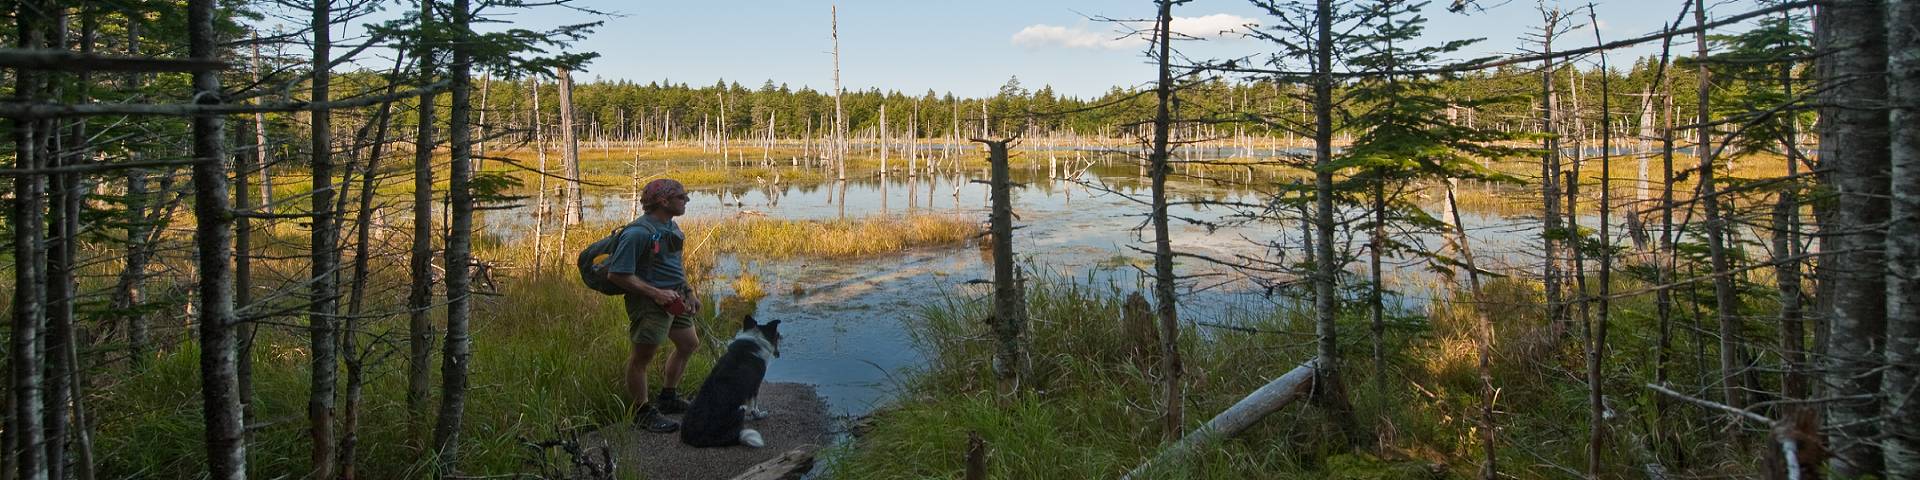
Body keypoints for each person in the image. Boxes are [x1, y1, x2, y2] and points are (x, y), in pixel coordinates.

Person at [606, 178, 701, 433]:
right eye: (682, 196)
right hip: (649, 303)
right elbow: (616, 274)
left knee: (689, 344)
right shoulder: (637, 233)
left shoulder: (671, 226)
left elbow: (674, 264)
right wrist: (656, 293)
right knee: (642, 358)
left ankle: (668, 398)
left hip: (675, 298)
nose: (687, 200)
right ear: (663, 201)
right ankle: (642, 412)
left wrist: (688, 291)